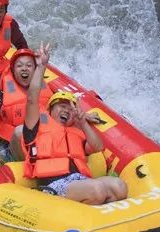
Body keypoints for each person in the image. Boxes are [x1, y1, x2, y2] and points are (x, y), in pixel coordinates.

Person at [21, 44, 128, 205]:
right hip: (54, 185)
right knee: (97, 190)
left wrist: (82, 122)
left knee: (120, 187)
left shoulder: (77, 131)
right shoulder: (36, 126)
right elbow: (31, 98)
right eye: (61, 106)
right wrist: (41, 66)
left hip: (80, 180)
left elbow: (98, 147)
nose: (66, 110)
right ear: (50, 110)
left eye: (70, 108)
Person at [0, 48, 54, 160]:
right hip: (14, 142)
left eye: (29, 66)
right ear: (13, 70)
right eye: (19, 66)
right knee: (20, 131)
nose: (24, 69)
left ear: (35, 70)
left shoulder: (45, 90)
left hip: (42, 138)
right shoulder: (2, 93)